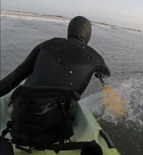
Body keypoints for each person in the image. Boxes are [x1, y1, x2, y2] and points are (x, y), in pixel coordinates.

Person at [0, 16, 110, 148]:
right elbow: (107, 74)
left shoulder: (47, 44)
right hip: (57, 130)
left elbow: (13, 79)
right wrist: (97, 69)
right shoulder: (95, 57)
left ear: (70, 30)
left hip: (20, 122)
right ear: (88, 35)